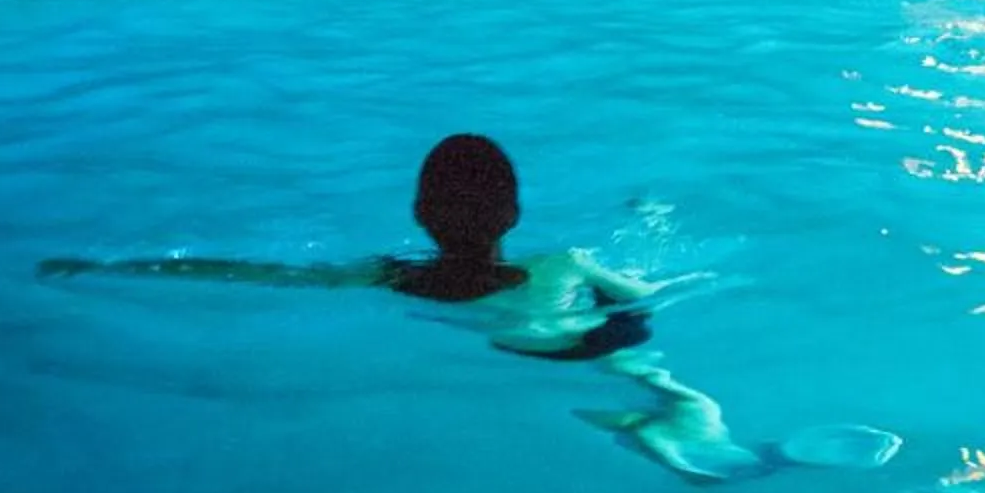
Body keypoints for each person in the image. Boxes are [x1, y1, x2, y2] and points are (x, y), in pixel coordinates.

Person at [41, 132, 655, 360]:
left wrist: (113, 265)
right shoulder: (561, 264)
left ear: (418, 214)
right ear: (515, 214)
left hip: (515, 346)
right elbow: (645, 305)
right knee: (643, 369)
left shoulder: (393, 278)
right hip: (581, 345)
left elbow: (259, 274)